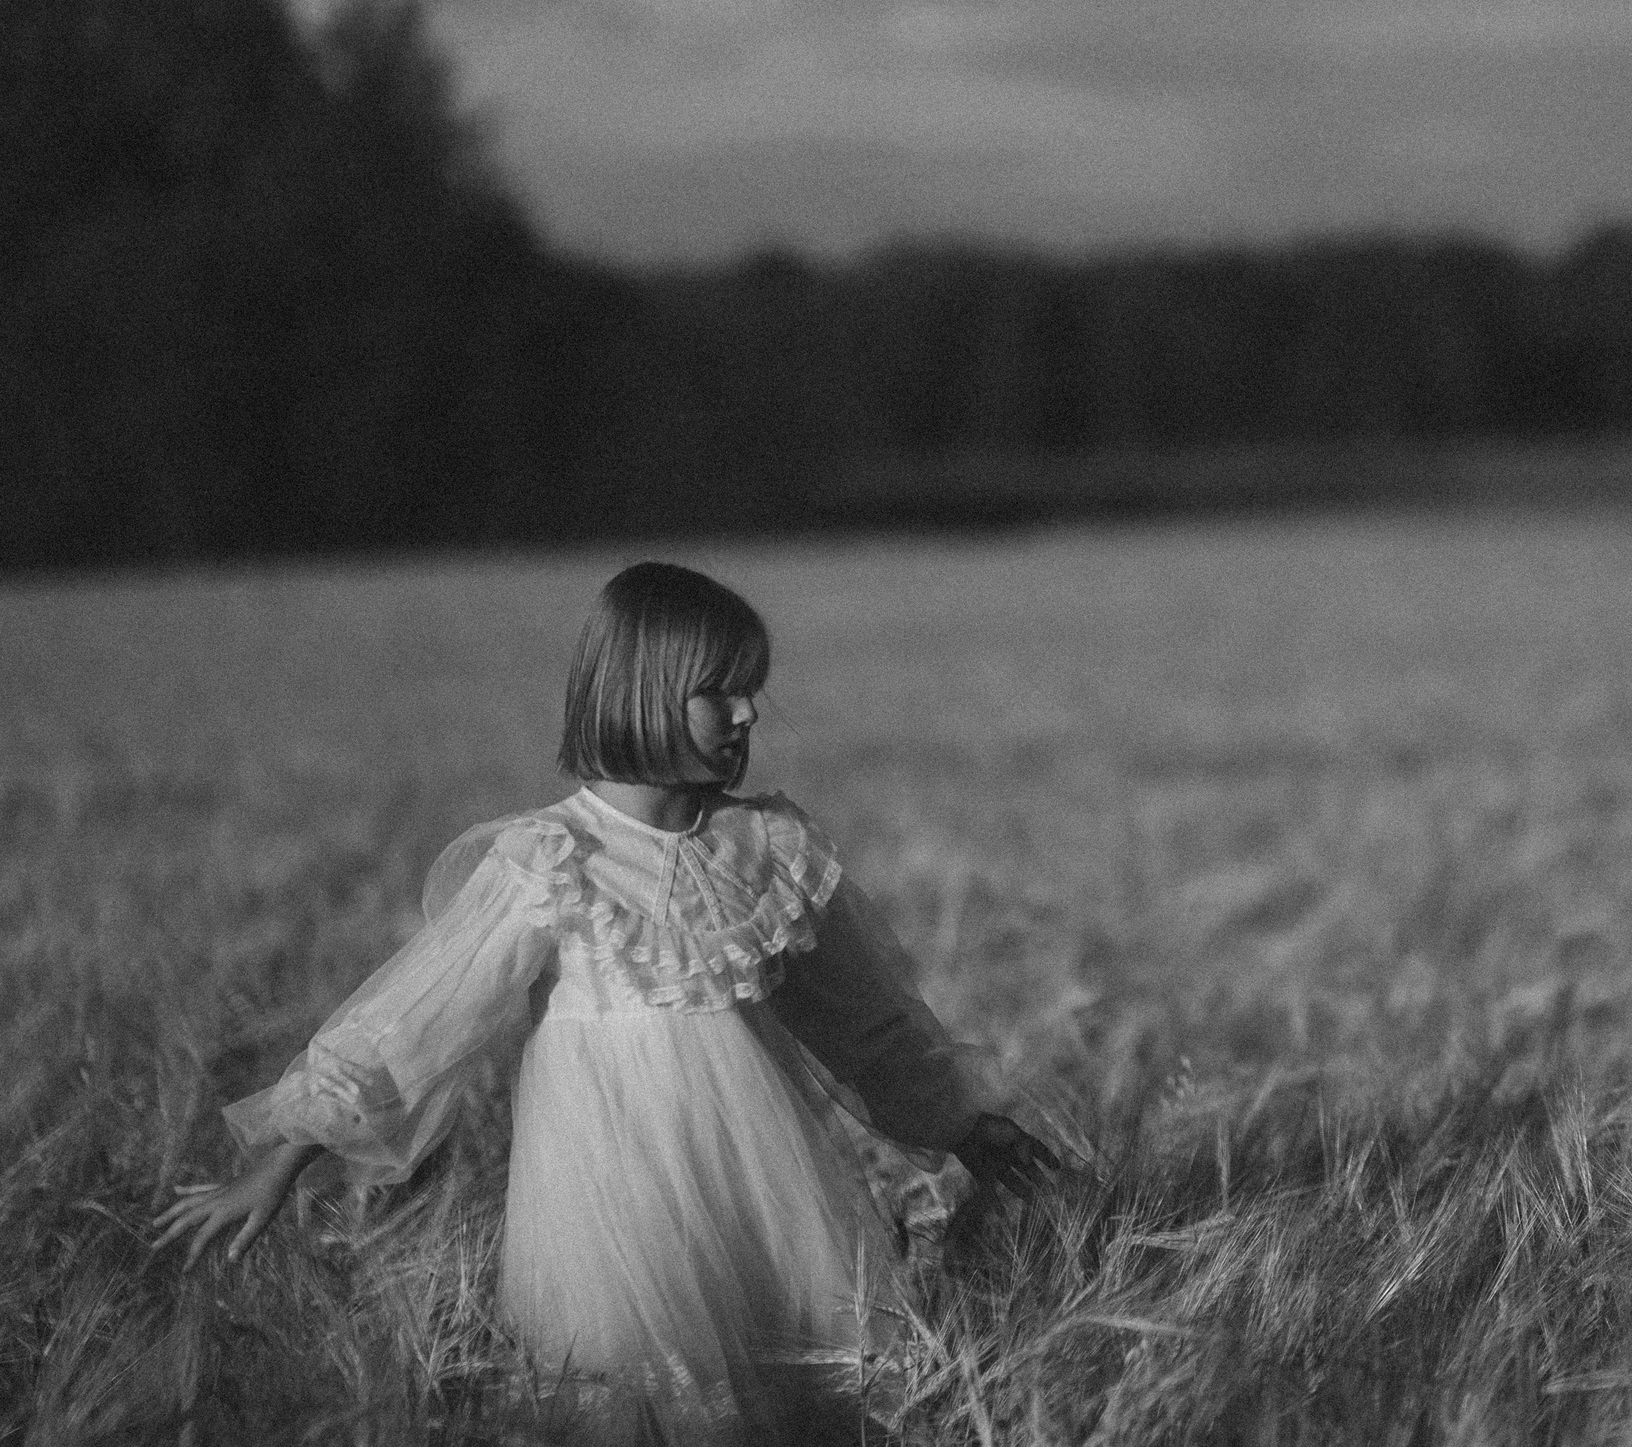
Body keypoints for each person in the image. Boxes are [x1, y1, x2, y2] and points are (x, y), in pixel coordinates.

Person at [152, 561, 1055, 1441]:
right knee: (636, 1408)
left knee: (791, 1406)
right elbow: (414, 1021)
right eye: (719, 690)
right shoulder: (554, 857)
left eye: (751, 689)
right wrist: (279, 1161)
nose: (746, 712)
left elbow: (870, 1022)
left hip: (763, 1191)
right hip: (611, 1207)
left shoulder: (765, 846)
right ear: (645, 693)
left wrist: (967, 1126)